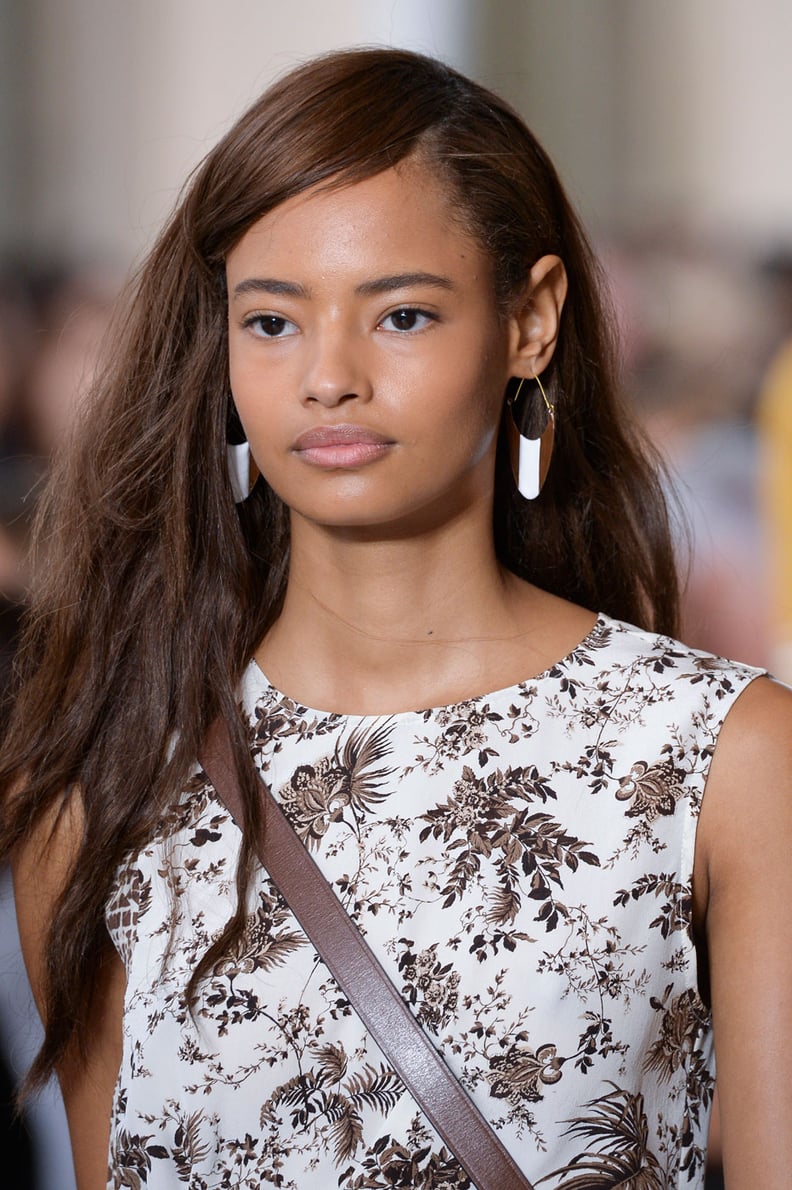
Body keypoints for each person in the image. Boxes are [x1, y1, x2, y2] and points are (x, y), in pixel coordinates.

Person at [1, 48, 790, 1190]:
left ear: (531, 322)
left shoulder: (721, 757)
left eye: (402, 314)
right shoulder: (109, 786)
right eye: (271, 323)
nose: (328, 376)